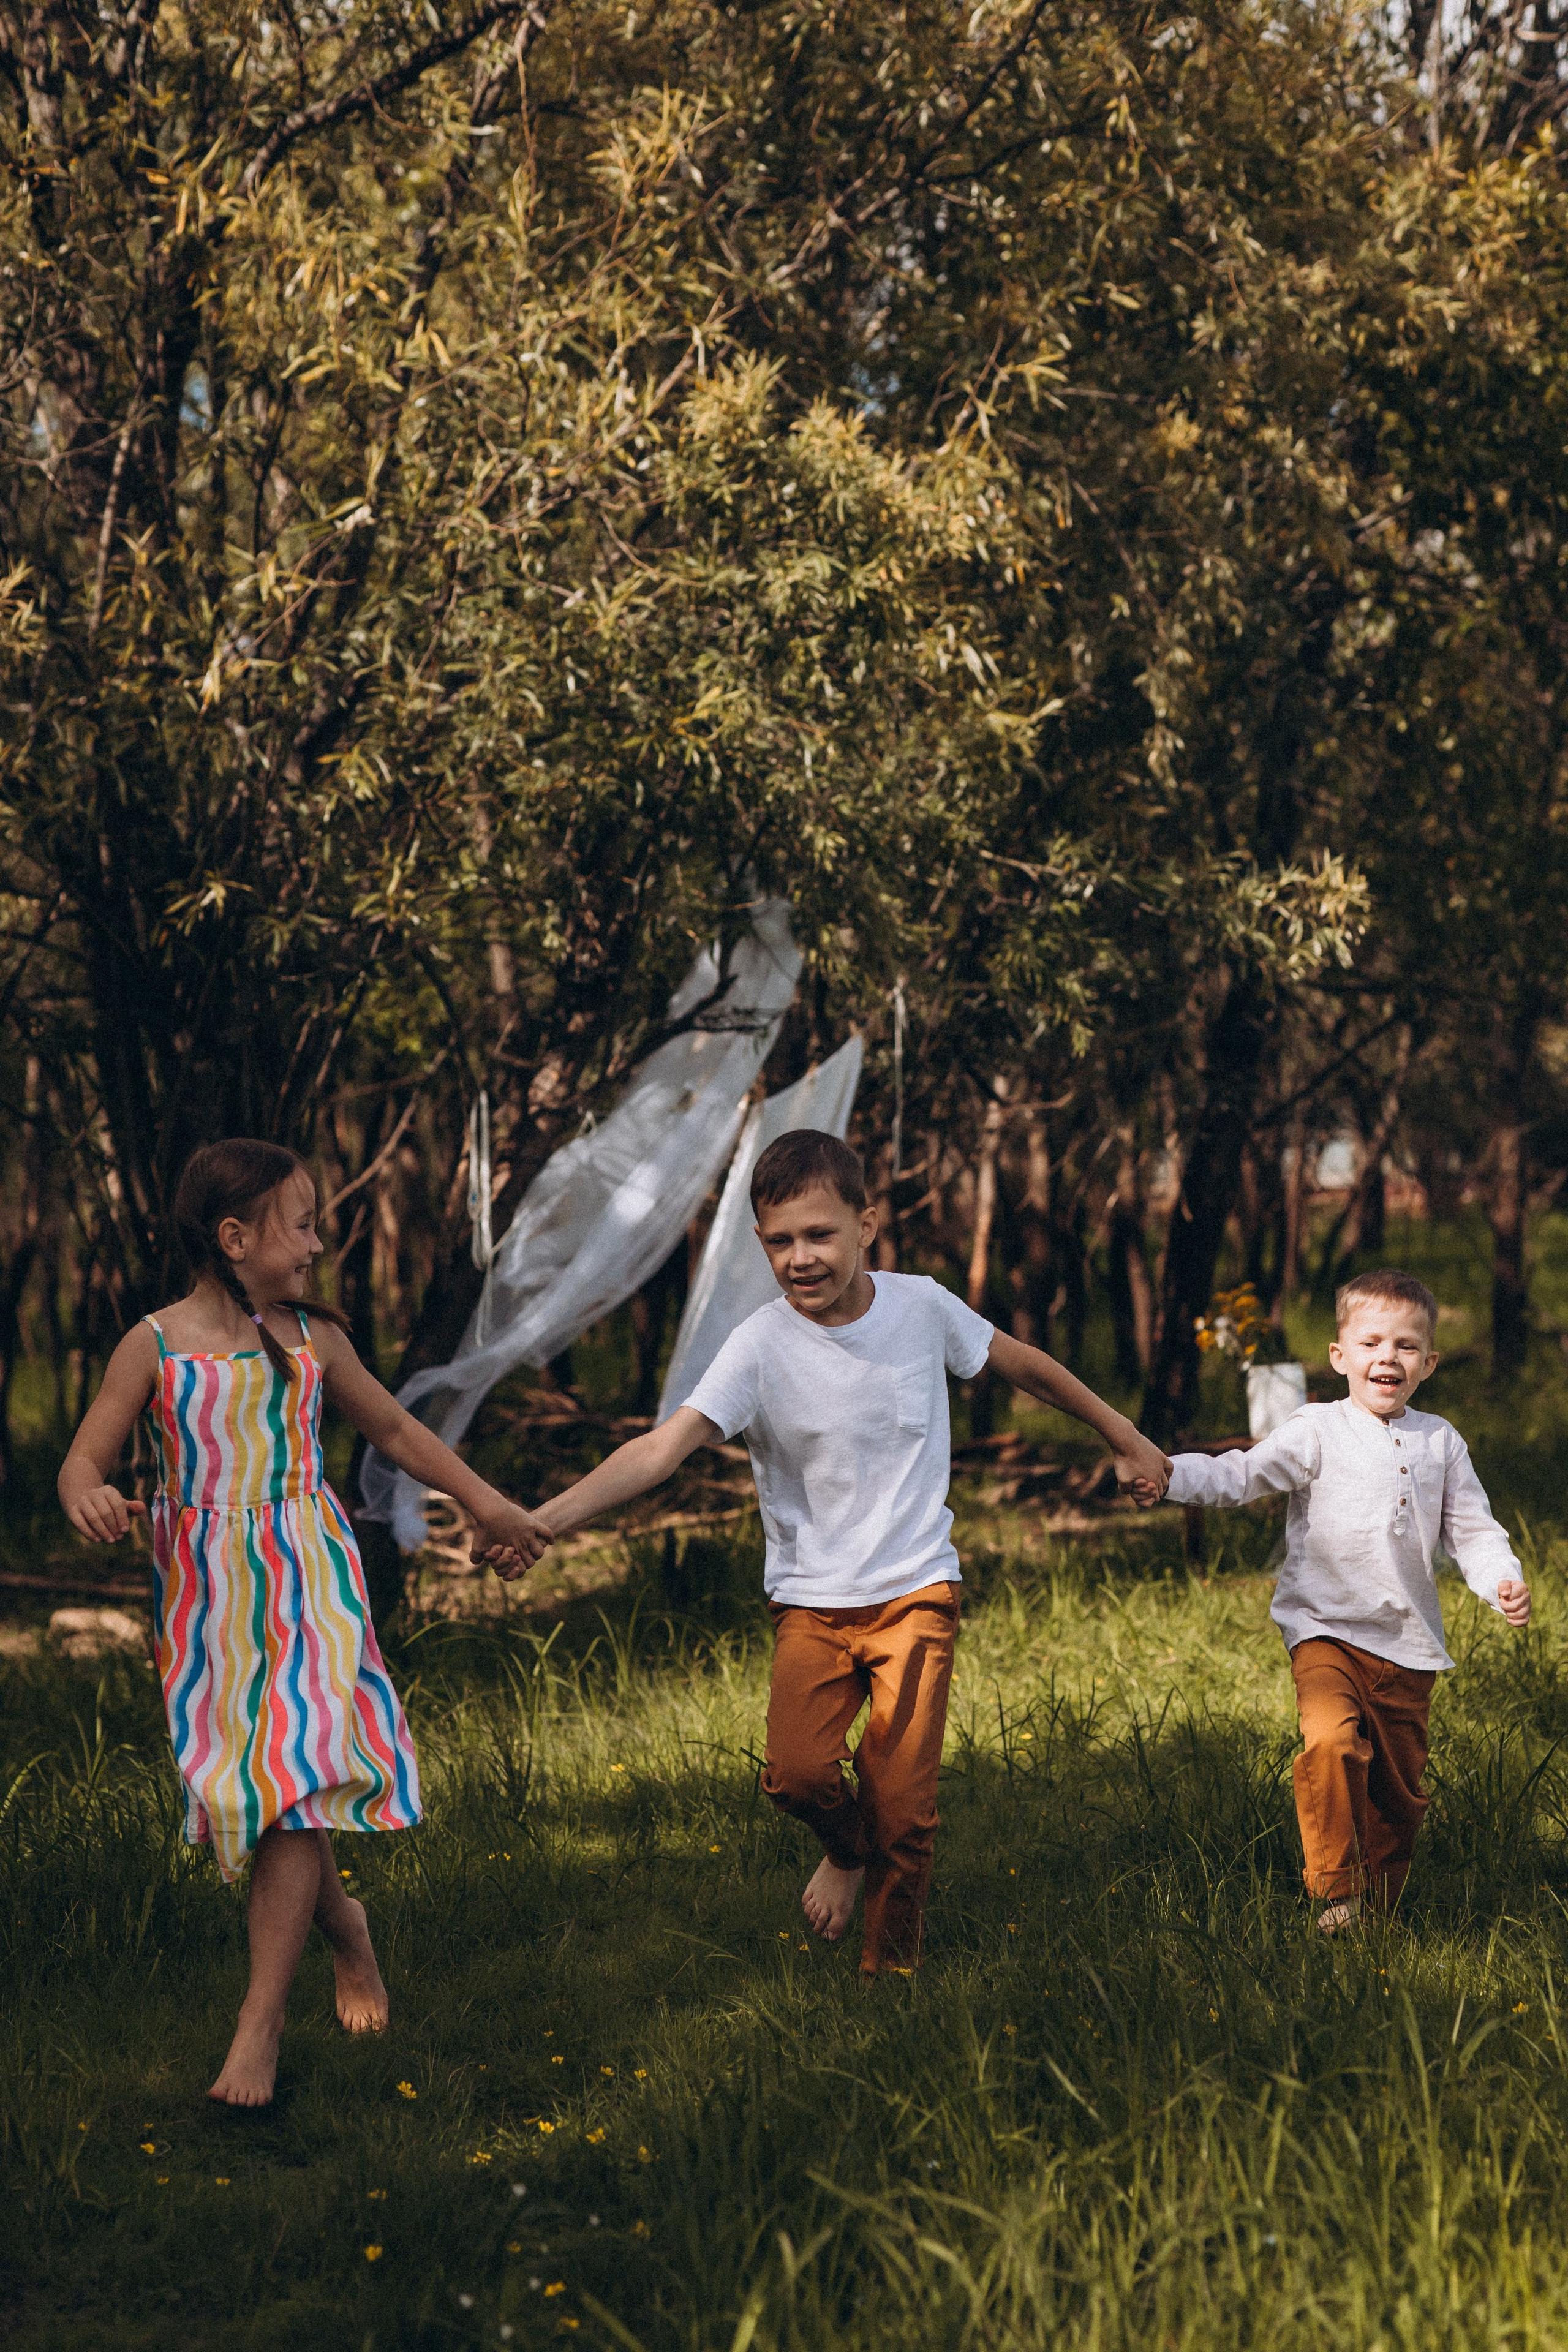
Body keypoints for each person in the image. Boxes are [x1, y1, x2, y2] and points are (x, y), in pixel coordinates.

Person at [513, 1128, 1170, 1973]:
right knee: (793, 1775)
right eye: (780, 1241)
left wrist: (1122, 1433)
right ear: (760, 1243)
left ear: (867, 1224)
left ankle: (889, 1975)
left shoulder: (921, 1306)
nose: (801, 1258)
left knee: (906, 1806)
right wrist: (549, 1521)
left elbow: (1024, 1366)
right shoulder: (757, 1346)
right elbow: (660, 1450)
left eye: (820, 1235)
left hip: (917, 1591)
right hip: (812, 1602)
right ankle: (847, 1847)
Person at [58, 1138, 551, 2106]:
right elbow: (83, 1460)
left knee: (290, 1787)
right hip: (208, 1604)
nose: (320, 1242)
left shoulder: (311, 1340)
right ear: (235, 1237)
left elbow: (399, 1432)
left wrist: (486, 1503)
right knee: (261, 1794)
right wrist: (91, 1495)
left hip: (308, 1582)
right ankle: (347, 1930)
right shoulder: (151, 1345)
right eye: (304, 1223)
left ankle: (260, 2022)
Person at [1144, 1269, 1531, 1935]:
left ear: (1429, 1363)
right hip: (1324, 1632)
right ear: (1340, 1355)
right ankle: (1335, 1890)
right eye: (1372, 1342)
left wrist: (1500, 1580)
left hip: (1409, 1647)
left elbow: (1471, 1529)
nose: (1388, 1357)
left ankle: (1376, 1916)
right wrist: (1169, 1474)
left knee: (1398, 1797)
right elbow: (1242, 1473)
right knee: (1329, 1743)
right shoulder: (1316, 1429)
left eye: (1407, 1346)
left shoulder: (1441, 1441)